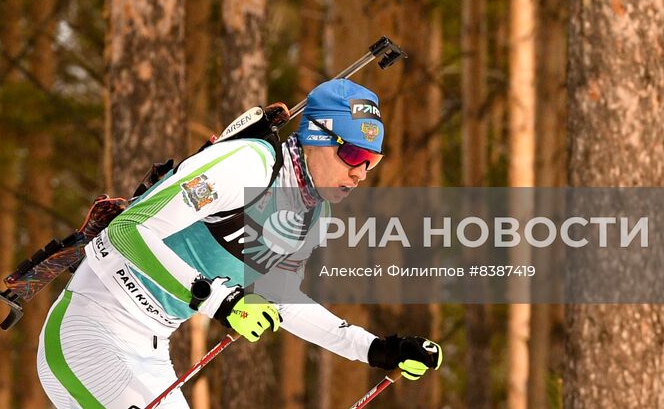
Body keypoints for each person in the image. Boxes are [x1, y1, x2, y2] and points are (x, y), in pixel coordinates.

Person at [36, 78, 443, 408]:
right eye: (353, 155)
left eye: (373, 161)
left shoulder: (312, 215)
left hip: (151, 350)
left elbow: (280, 298)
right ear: (318, 137)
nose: (361, 174)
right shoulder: (246, 165)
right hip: (90, 330)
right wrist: (220, 301)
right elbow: (126, 232)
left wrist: (376, 349)